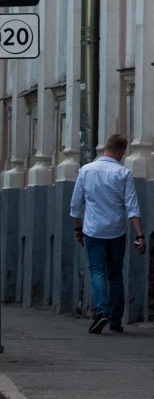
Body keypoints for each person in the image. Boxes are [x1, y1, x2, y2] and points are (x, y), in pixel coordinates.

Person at [69, 133, 146, 334]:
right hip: (117, 231)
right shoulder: (124, 174)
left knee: (97, 272)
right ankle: (115, 320)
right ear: (120, 152)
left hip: (93, 231)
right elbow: (132, 207)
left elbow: (76, 206)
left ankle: (101, 312)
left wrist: (78, 230)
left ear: (105, 149)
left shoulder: (86, 170)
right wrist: (140, 236)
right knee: (115, 275)